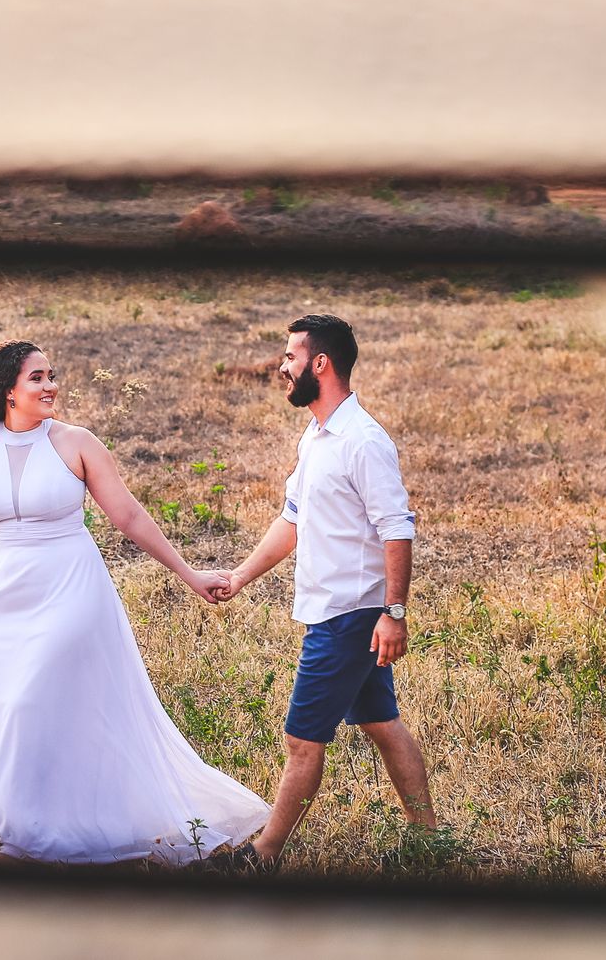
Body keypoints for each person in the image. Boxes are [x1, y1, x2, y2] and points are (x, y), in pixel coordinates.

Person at [0, 340, 270, 866]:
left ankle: (26, 841)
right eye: (38, 378)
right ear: (7, 391)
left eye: (52, 375)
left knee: (26, 702)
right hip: (5, 589)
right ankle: (39, 817)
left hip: (71, 588)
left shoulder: (77, 443)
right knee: (18, 707)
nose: (51, 386)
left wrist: (188, 574)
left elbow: (129, 517)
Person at [210, 314, 437, 872]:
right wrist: (239, 576)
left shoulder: (362, 441)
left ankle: (262, 856)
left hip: (350, 616)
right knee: (383, 724)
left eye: (290, 358)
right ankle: (430, 839)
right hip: (336, 610)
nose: (281, 368)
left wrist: (394, 614)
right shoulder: (317, 436)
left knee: (303, 742)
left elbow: (397, 528)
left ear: (320, 364)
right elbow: (291, 521)